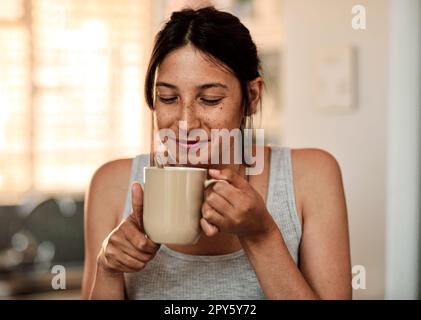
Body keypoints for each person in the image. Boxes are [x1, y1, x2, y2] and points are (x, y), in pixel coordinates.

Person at [82, 6, 351, 300]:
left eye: (209, 99)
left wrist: (261, 234)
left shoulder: (311, 177)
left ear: (252, 96)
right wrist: (107, 268)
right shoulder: (111, 185)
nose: (185, 123)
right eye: (168, 98)